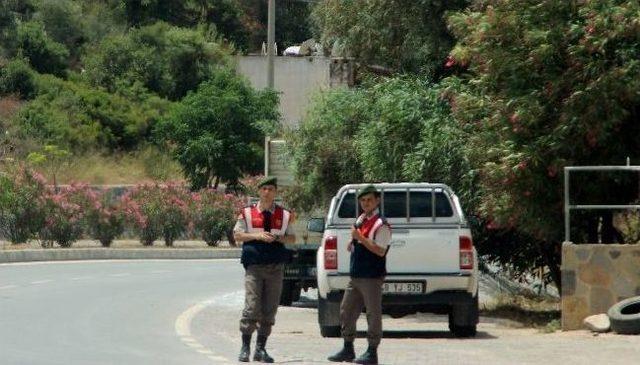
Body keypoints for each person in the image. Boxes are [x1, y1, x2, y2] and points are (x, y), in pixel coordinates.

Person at [233, 176, 296, 363]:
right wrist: (257, 236)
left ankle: (260, 348)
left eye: (270, 189)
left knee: (270, 309)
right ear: (259, 192)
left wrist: (277, 238)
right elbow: (237, 235)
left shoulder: (285, 215)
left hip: (275, 267)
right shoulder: (246, 213)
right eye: (264, 189)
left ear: (275, 192)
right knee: (252, 307)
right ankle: (245, 347)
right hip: (254, 266)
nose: (267, 192)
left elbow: (292, 238)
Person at [328, 184, 391, 365]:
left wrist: (359, 239)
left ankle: (372, 352)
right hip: (356, 275)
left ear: (377, 200)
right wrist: (352, 242)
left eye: (369, 199)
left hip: (371, 275)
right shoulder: (362, 218)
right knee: (346, 310)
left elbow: (380, 251)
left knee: (373, 314)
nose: (366, 203)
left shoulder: (382, 224)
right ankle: (348, 348)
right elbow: (357, 237)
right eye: (363, 200)